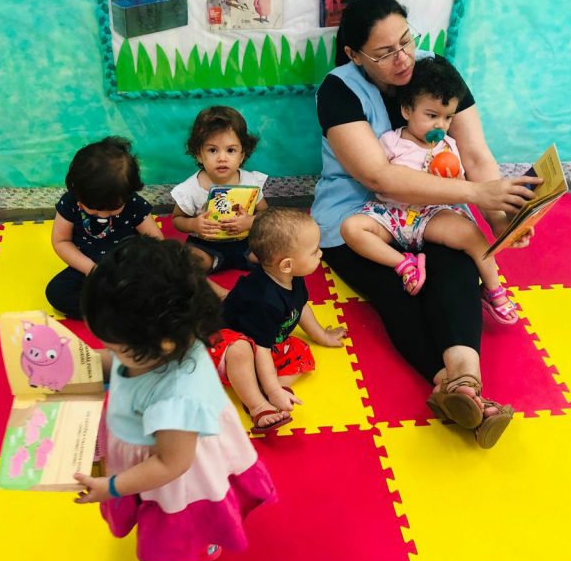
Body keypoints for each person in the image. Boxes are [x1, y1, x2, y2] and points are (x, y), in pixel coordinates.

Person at [312, 0, 541, 448]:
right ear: (354, 55)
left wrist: (500, 218)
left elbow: (475, 154)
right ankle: (462, 392)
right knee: (400, 290)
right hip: (360, 218)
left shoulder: (436, 72)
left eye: (406, 40)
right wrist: (477, 194)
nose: (403, 58)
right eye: (384, 52)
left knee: (457, 270)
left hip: (432, 209)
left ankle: (464, 384)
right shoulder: (338, 91)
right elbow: (378, 176)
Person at [73, 237, 277, 561]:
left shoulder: (176, 398)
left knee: (162, 547)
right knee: (186, 529)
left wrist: (111, 487)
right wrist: (76, 365)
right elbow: (117, 364)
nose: (109, 353)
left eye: (116, 347)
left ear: (160, 345)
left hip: (172, 479)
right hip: (152, 444)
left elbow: (171, 465)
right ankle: (202, 537)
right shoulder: (165, 339)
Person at [340, 57, 518, 325]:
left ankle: (493, 289)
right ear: (407, 110)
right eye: (432, 116)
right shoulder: (391, 141)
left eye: (448, 118)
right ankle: (402, 263)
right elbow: (379, 176)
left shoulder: (449, 146)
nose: (440, 125)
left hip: (432, 215)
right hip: (393, 215)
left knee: (472, 235)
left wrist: (453, 178)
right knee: (351, 228)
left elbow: (461, 183)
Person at [209, 208, 346, 432]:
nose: (321, 254)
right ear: (287, 265)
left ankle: (264, 389)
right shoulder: (264, 299)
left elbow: (299, 307)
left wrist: (321, 335)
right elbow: (260, 349)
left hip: (264, 343)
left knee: (300, 352)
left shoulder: (293, 277)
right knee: (240, 351)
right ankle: (258, 405)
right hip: (227, 348)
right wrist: (274, 390)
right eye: (314, 251)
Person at [46, 137, 162, 320]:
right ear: (77, 192)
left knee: (159, 286)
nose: (103, 215)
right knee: (57, 292)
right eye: (94, 209)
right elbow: (61, 241)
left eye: (113, 209)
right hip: (88, 267)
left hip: (127, 270)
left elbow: (157, 242)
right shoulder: (70, 202)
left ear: (128, 193)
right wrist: (90, 269)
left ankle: (118, 307)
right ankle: (114, 310)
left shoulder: (133, 203)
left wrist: (139, 269)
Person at [171, 106, 268, 274]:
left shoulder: (250, 181)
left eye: (230, 150)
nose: (222, 158)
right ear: (199, 154)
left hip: (246, 242)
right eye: (212, 150)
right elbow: (177, 219)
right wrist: (194, 224)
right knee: (189, 261)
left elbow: (266, 213)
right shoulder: (191, 188)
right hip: (206, 246)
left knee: (275, 251)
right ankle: (208, 264)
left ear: (241, 155)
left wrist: (250, 221)